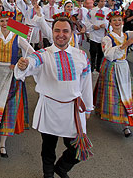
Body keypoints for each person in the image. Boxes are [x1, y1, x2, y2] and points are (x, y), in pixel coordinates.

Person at [14, 17, 93, 178]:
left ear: (72, 34)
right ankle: (48, 174)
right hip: (50, 108)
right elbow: (30, 63)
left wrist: (88, 108)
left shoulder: (81, 56)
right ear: (52, 32)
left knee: (77, 148)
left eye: (65, 31)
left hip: (73, 109)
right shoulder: (43, 54)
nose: (61, 34)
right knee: (48, 147)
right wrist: (23, 65)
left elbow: (86, 83)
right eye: (57, 30)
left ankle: (61, 168)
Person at [0, 4, 33, 158]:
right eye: (2, 21)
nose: (4, 23)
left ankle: (2, 142)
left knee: (8, 105)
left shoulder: (18, 37)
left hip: (12, 75)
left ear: (12, 22)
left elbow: (32, 53)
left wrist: (19, 63)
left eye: (7, 21)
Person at [93, 12, 133, 137]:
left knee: (123, 93)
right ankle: (124, 123)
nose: (117, 22)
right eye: (114, 20)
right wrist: (124, 45)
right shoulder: (107, 38)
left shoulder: (127, 34)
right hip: (112, 67)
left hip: (123, 66)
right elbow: (108, 54)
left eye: (119, 20)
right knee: (113, 92)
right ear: (110, 22)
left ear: (123, 22)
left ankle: (122, 120)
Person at [86, 0, 111, 73]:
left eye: (104, 1)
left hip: (103, 34)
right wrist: (92, 26)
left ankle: (98, 66)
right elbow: (87, 21)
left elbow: (111, 21)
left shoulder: (108, 11)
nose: (103, 3)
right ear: (97, 2)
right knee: (93, 50)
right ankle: (92, 65)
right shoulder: (92, 11)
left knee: (101, 51)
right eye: (101, 1)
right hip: (94, 33)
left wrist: (106, 25)